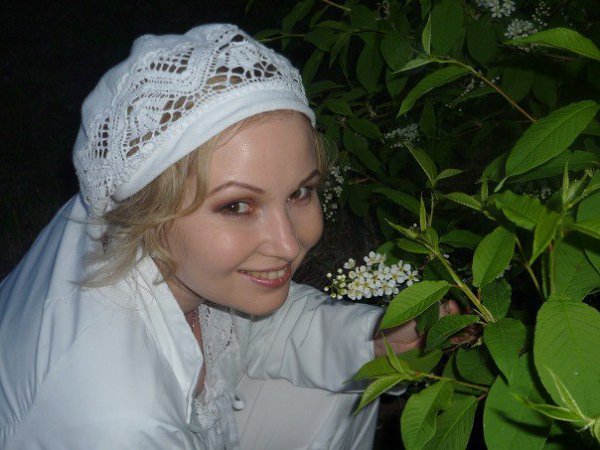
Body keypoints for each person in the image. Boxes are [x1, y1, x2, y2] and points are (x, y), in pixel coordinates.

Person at [0, 24, 449, 449]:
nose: (289, 245)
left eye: (300, 192)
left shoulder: (153, 231)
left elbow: (259, 329)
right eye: (236, 206)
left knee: (341, 385)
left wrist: (372, 341)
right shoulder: (119, 422)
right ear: (148, 211)